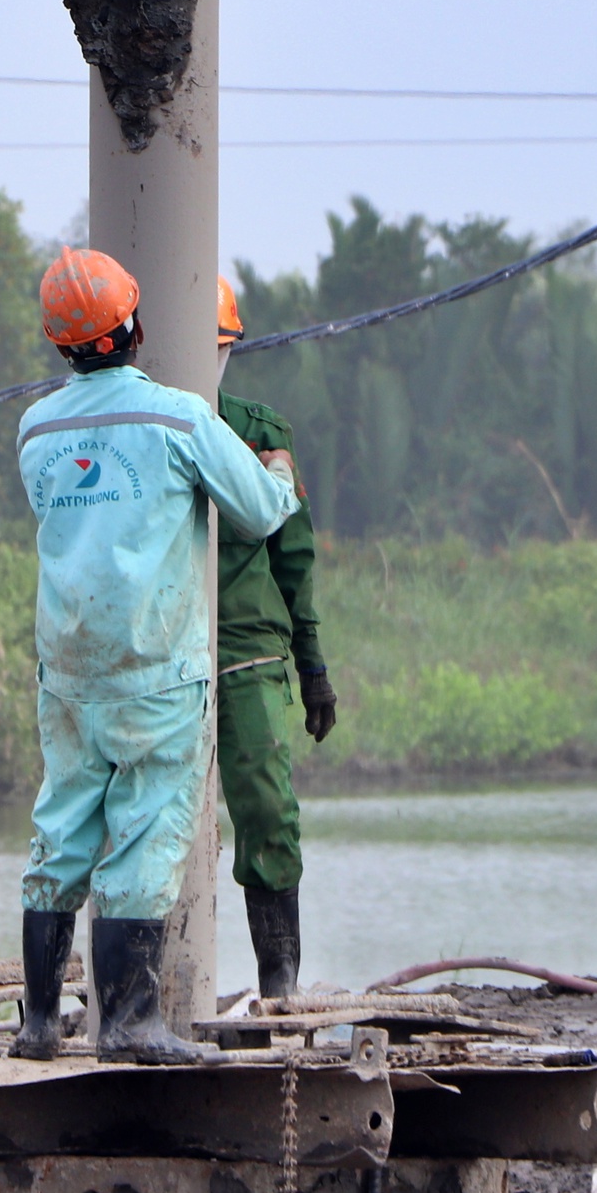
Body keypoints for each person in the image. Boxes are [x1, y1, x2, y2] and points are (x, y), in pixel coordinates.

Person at [9, 248, 299, 1065]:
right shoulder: (178, 419)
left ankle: (36, 1023)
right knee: (145, 834)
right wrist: (277, 468)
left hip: (67, 671)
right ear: (134, 325)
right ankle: (131, 1021)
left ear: (61, 343)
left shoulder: (37, 430)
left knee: (61, 827)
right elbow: (260, 512)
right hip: (156, 671)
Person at [212, 276, 336, 1000]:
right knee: (139, 818)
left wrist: (312, 661)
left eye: (218, 345)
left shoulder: (260, 431)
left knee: (264, 807)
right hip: (158, 644)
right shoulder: (143, 430)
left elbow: (293, 554)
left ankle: (278, 981)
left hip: (246, 648)